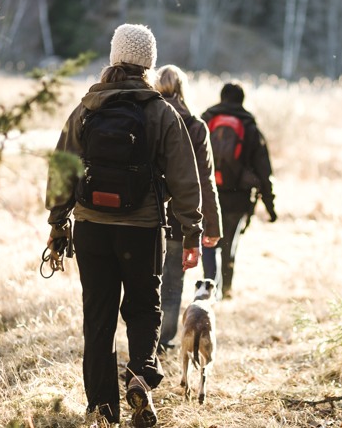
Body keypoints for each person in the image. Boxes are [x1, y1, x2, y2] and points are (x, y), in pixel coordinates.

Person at [45, 24, 203, 428]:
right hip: (142, 228)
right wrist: (191, 233)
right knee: (143, 308)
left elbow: (62, 169)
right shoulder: (161, 112)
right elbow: (186, 179)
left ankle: (102, 408)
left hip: (92, 228)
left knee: (97, 318)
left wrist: (58, 222)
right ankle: (139, 377)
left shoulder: (87, 107)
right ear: (148, 63)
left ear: (114, 58)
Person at [154, 65, 222, 352]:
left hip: (145, 215)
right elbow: (205, 181)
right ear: (183, 88)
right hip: (180, 220)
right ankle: (164, 339)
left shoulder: (148, 117)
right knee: (171, 283)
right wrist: (213, 225)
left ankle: (144, 338)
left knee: (144, 281)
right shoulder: (195, 126)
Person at [200, 82, 277, 299]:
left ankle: (209, 288)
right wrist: (270, 208)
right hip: (238, 197)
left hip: (207, 193)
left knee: (208, 242)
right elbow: (264, 171)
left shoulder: (205, 121)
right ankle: (226, 289)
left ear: (221, 97)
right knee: (228, 243)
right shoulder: (250, 127)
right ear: (242, 100)